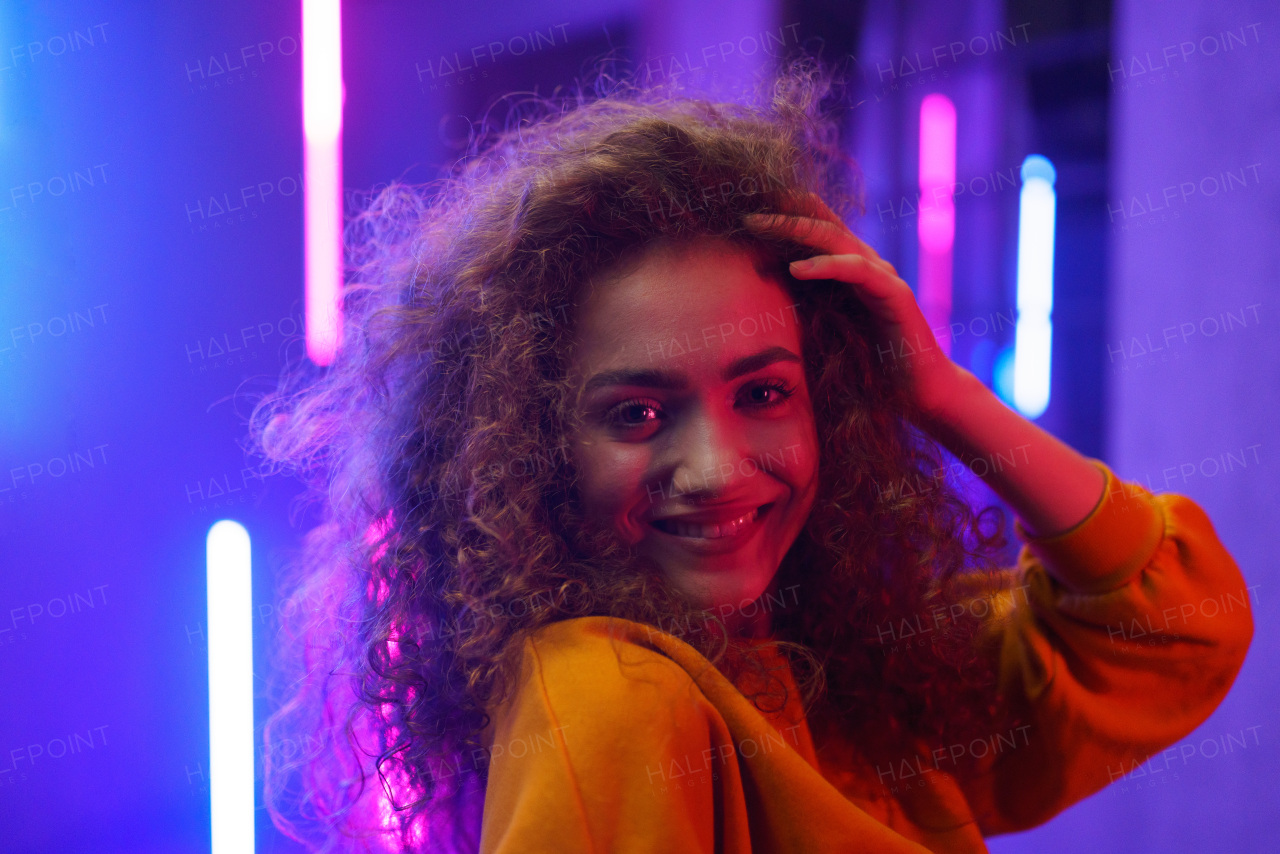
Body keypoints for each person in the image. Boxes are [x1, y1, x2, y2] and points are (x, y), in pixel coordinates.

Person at [252, 58, 1254, 854]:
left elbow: (1169, 625)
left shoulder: (847, 662)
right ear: (528, 450)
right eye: (638, 413)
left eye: (764, 392)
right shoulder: (603, 694)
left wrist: (938, 391)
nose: (719, 466)